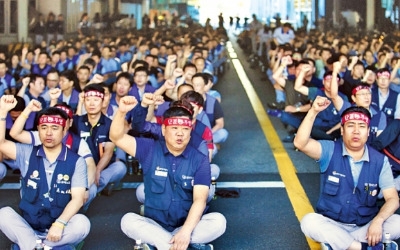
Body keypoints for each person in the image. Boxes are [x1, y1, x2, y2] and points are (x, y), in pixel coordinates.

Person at [110, 96, 226, 250]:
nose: (180, 134)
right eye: (175, 128)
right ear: (163, 129)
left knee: (218, 221)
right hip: (156, 225)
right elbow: (116, 137)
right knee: (128, 221)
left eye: (185, 129)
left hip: (187, 226)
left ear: (190, 131)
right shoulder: (149, 149)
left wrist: (185, 232)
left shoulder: (200, 159)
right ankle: (186, 246)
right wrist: (121, 112)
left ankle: (161, 245)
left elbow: (200, 200)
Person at [294, 96, 400, 250]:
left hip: (364, 227)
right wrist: (313, 111)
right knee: (309, 222)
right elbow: (300, 143)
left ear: (368, 131)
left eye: (362, 126)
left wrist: (377, 222)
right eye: (350, 125)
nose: (356, 131)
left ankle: (339, 244)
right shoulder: (329, 150)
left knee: (397, 222)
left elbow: (392, 199)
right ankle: (364, 247)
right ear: (342, 130)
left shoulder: (379, 161)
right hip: (332, 223)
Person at [0, 95, 90, 249]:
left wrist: (60, 224)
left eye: (54, 128)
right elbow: (1, 143)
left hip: (59, 227)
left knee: (82, 223)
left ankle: (30, 245)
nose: (48, 133)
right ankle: (45, 246)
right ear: (38, 130)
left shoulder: (77, 161)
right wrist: (2, 113)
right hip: (30, 225)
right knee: (4, 214)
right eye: (44, 127)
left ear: (64, 131)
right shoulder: (27, 152)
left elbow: (78, 199)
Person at [73, 84, 126, 197]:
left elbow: (109, 151)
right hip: (81, 169)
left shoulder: (109, 124)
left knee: (120, 167)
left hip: (102, 170)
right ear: (84, 101)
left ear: (103, 102)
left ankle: (93, 186)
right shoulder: (76, 121)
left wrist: (96, 170)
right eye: (88, 100)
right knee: (87, 185)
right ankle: (99, 187)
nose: (92, 104)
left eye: (96, 100)